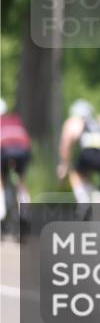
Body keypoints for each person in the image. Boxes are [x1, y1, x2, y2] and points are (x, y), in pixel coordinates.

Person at [57, 99, 100, 207]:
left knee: (74, 172)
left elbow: (66, 143)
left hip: (89, 154)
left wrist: (64, 165)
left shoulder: (75, 122)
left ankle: (84, 200)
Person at [1, 98, 32, 231]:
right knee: (21, 182)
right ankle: (24, 212)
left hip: (5, 149)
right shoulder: (15, 119)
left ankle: (1, 213)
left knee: (1, 181)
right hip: (23, 151)